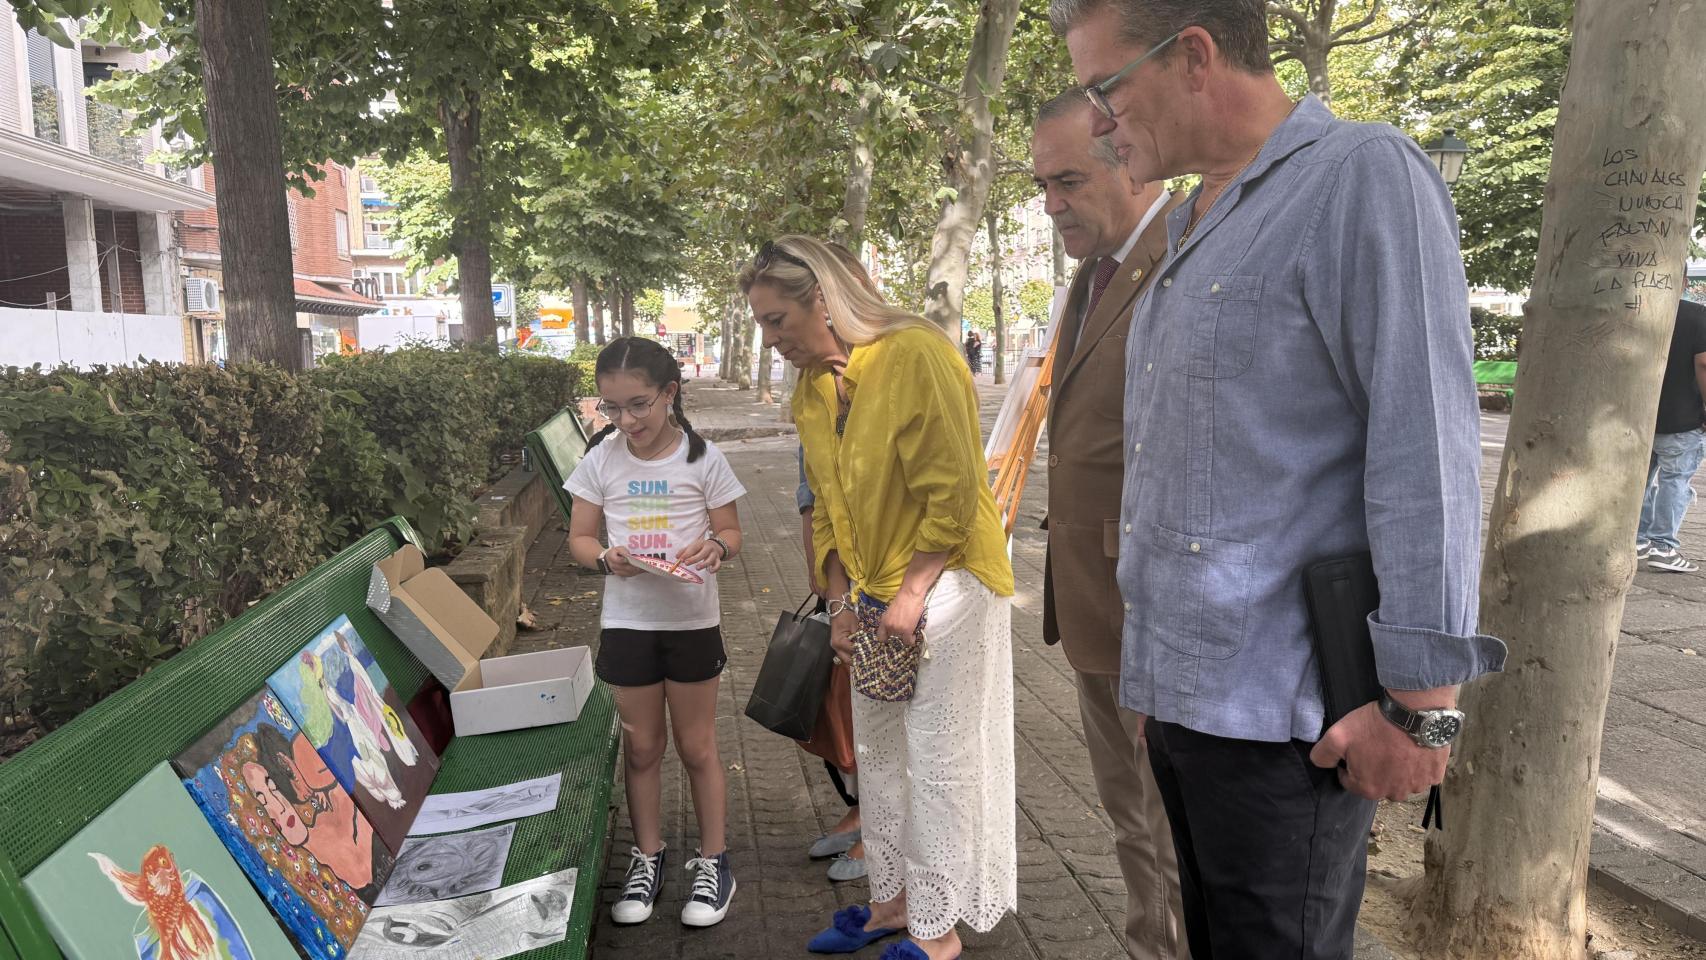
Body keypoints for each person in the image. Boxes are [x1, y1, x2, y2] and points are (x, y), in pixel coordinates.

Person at [1049, 2, 1508, 957]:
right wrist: (1154, 677)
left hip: (1289, 720)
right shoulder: (1192, 217)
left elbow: (1424, 447)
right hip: (1187, 701)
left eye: (1105, 88)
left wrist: (1423, 707)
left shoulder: (1361, 175)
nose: (1097, 120)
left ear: (1194, 56)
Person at [742, 236, 1016, 960]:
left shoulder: (914, 354)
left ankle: (937, 932)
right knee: (879, 755)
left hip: (948, 583)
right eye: (761, 325)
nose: (770, 340)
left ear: (823, 300)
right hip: (870, 592)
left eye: (776, 320)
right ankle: (892, 903)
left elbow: (953, 493)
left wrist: (912, 593)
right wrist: (840, 606)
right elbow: (829, 508)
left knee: (937, 760)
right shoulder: (813, 387)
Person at [1032, 88, 1187, 960]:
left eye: (1067, 182)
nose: (1051, 205)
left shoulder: (1189, 252)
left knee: (1168, 826)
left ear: (1127, 160)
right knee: (1132, 818)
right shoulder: (1093, 275)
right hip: (1094, 600)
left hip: (1153, 607)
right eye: (1042, 186)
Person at [564, 336, 747, 928]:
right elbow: (580, 538)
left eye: (639, 405)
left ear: (669, 393)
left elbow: (731, 533)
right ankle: (647, 856)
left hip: (691, 622)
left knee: (697, 747)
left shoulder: (703, 458)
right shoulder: (601, 459)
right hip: (629, 624)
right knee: (641, 748)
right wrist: (604, 559)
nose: (626, 420)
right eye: (612, 408)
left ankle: (714, 861)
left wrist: (717, 547)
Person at [799, 445, 869, 882]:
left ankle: (884, 829)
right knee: (837, 702)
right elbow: (811, 492)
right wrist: (821, 569)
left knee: (880, 710)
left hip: (887, 567)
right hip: (839, 562)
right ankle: (861, 810)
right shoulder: (812, 410)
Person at [1636, 298, 1706, 572]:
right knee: (1674, 481)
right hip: (1683, 417)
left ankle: (1637, 539)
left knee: (1640, 481)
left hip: (1639, 416)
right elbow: (1703, 362)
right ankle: (1663, 547)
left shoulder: (1637, 307)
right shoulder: (1696, 315)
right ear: (1683, 280)